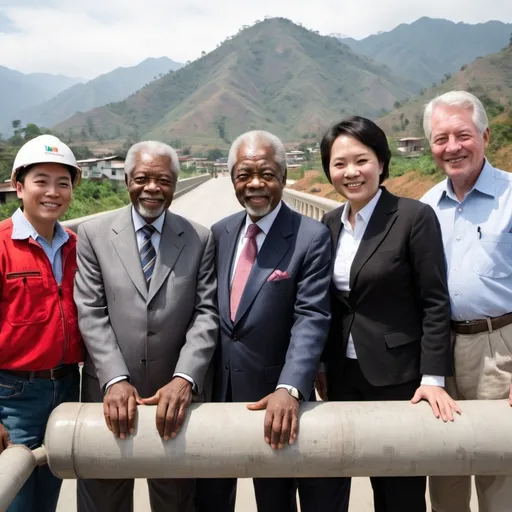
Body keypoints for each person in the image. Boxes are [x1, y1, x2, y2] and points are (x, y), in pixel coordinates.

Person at [195, 130, 349, 512]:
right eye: (244, 175)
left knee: (276, 498)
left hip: (275, 399)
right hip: (220, 395)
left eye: (266, 174)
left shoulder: (309, 237)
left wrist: (291, 387)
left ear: (284, 177)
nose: (255, 184)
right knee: (212, 498)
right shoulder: (221, 232)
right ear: (232, 180)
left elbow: (311, 317)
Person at [316, 116, 459, 512]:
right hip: (342, 377)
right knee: (333, 482)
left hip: (399, 377)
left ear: (381, 162)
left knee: (398, 490)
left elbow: (434, 302)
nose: (351, 172)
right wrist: (321, 365)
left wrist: (433, 378)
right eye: (339, 163)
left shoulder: (413, 217)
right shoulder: (328, 224)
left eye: (361, 160)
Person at [73, 141, 219, 512]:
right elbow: (91, 309)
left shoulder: (200, 238)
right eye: (142, 179)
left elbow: (206, 314)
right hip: (107, 396)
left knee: (175, 499)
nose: (152, 189)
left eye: (163, 181)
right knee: (105, 496)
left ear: (175, 183)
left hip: (175, 401)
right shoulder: (93, 235)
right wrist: (115, 379)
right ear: (126, 181)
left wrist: (185, 378)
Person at [421, 91, 512, 512]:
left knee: (501, 475)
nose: (452, 147)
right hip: (441, 351)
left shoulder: (510, 196)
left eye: (463, 135)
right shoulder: (424, 208)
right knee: (445, 472)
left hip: (501, 347)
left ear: (485, 136)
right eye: (441, 139)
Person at [0, 135, 83, 512]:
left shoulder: (76, 247)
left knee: (48, 496)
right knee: (15, 498)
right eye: (41, 181)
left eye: (62, 183)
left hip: (67, 389)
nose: (52, 192)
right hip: (13, 396)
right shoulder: (2, 245)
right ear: (18, 187)